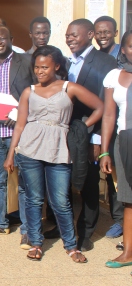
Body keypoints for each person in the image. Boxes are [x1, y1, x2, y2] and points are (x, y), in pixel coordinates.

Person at [5, 45, 101, 263]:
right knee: (34, 198)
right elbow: (19, 125)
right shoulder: (29, 91)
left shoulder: (69, 88)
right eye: (37, 67)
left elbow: (100, 107)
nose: (40, 71)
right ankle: (36, 242)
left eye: (45, 67)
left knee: (60, 200)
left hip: (59, 150)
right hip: (30, 148)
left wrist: (81, 129)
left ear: (56, 66)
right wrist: (11, 154)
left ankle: (71, 245)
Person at [48, 18, 117, 251]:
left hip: (90, 133)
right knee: (64, 181)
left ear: (89, 34)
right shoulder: (66, 63)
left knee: (88, 185)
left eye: (74, 35)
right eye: (67, 35)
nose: (69, 39)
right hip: (66, 132)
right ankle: (63, 227)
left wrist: (97, 139)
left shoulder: (105, 62)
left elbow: (107, 106)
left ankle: (85, 233)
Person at [0, 26, 34, 244]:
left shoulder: (26, 62)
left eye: (2, 38)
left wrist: (21, 115)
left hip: (19, 132)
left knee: (24, 182)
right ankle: (0, 222)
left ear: (11, 39)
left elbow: (35, 94)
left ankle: (27, 228)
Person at [100, 29, 132, 271]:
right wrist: (105, 151)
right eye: (131, 46)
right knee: (129, 200)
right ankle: (128, 251)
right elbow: (109, 115)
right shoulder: (114, 76)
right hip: (125, 142)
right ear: (123, 49)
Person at [93, 16, 125, 239]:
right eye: (98, 32)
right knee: (107, 171)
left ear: (115, 33)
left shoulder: (121, 58)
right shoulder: (93, 58)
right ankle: (118, 217)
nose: (102, 36)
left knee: (118, 176)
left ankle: (121, 220)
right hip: (99, 122)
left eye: (106, 32)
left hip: (119, 124)